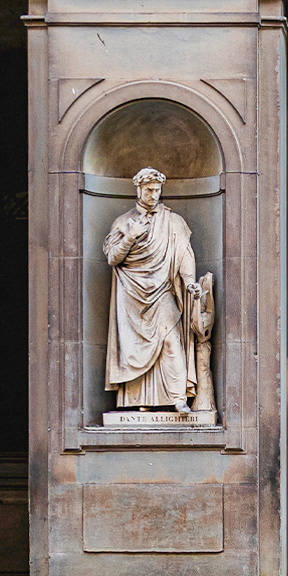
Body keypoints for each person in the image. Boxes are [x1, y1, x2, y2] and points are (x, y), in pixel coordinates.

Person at [103, 167, 203, 411]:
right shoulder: (124, 222)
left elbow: (183, 254)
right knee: (135, 345)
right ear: (139, 189)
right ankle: (142, 400)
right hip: (133, 294)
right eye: (149, 190)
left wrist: (190, 281)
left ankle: (178, 397)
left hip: (163, 291)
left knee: (171, 341)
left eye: (157, 190)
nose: (154, 195)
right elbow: (113, 258)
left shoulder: (173, 221)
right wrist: (130, 237)